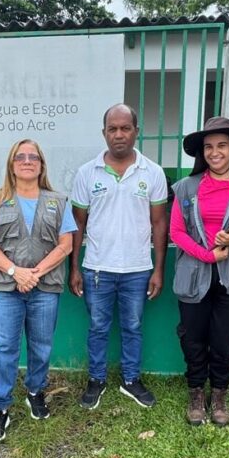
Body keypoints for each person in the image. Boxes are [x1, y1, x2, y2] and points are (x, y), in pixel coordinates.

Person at [0, 139, 76, 442]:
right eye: (20, 157)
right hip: (6, 288)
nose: (27, 161)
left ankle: (35, 391)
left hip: (45, 287)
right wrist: (15, 272)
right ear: (12, 164)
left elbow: (66, 245)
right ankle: (0, 407)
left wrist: (34, 274)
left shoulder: (58, 201)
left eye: (34, 157)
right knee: (4, 348)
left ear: (42, 165)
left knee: (41, 346)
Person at [70, 103, 168, 409]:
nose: (119, 134)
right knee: (98, 327)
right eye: (112, 129)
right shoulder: (87, 173)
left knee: (133, 327)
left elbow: (159, 223)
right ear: (104, 133)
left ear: (136, 131)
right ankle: (96, 379)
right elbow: (78, 224)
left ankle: (131, 380)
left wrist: (158, 270)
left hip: (138, 269)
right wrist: (74, 268)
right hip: (97, 268)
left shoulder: (153, 172)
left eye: (125, 128)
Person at [170, 116, 229, 426]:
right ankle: (197, 393)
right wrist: (206, 255)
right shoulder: (186, 188)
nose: (215, 152)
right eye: (209, 147)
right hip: (194, 273)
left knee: (225, 338)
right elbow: (176, 232)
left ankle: (220, 394)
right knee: (193, 336)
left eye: (222, 145)